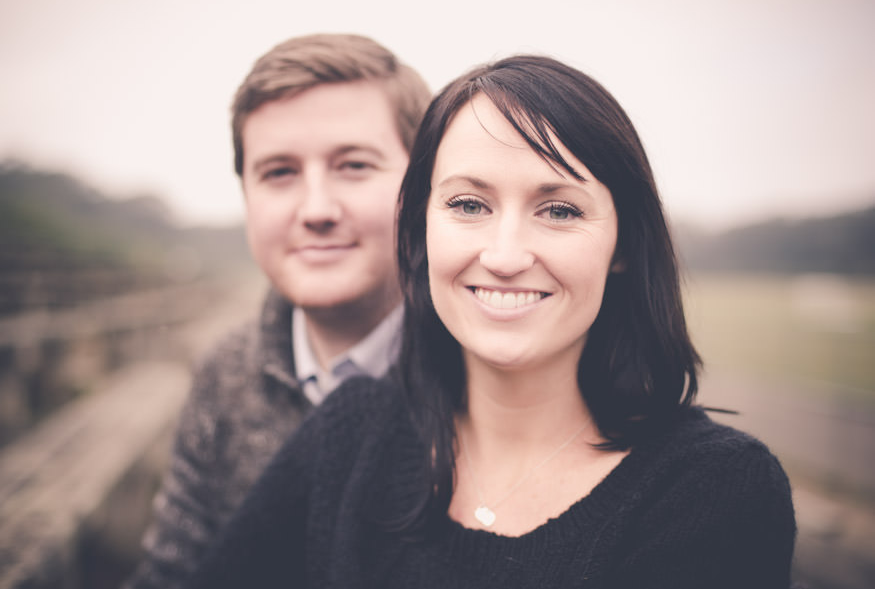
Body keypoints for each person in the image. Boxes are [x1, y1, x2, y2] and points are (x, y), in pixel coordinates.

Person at [187, 55, 797, 588]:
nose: (504, 256)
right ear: (421, 229)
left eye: (558, 209)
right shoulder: (348, 438)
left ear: (623, 247)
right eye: (468, 204)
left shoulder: (711, 491)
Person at [124, 34, 431, 588]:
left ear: (423, 185)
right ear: (245, 194)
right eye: (279, 173)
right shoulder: (226, 371)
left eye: (354, 165)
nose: (316, 210)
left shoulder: (495, 371)